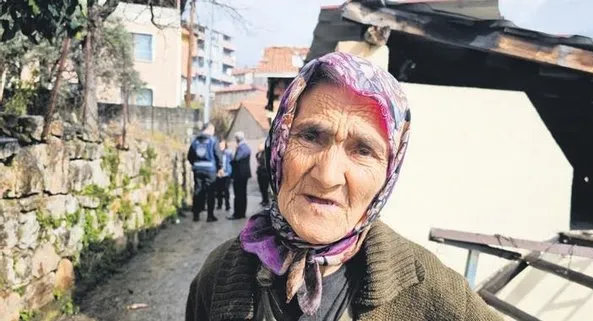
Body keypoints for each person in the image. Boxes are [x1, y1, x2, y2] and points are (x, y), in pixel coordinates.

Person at [185, 53, 502, 320]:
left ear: (388, 174)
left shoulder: (438, 296)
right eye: (310, 137)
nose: (327, 176)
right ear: (279, 146)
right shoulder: (218, 275)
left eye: (363, 150)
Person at [186, 123, 224, 222]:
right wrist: (220, 167)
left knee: (198, 190)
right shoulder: (213, 140)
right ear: (209, 129)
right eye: (213, 130)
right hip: (210, 170)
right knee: (210, 192)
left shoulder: (195, 140)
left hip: (198, 169)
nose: (213, 132)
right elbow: (218, 154)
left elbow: (190, 156)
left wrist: (195, 163)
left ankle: (196, 215)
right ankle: (210, 216)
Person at [228, 131, 251, 220]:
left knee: (238, 195)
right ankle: (241, 213)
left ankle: (237, 214)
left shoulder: (242, 147)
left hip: (239, 175)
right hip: (243, 175)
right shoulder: (245, 147)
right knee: (242, 194)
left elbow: (236, 159)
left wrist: (231, 159)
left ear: (237, 138)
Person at [215, 140, 233, 211]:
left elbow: (232, 162)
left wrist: (229, 172)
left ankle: (227, 205)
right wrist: (218, 171)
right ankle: (219, 205)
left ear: (225, 145)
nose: (221, 146)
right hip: (218, 174)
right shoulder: (216, 153)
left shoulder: (228, 153)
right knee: (219, 190)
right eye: (220, 145)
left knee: (226, 190)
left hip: (226, 174)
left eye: (222, 145)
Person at [255, 142, 270, 207]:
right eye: (258, 146)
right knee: (261, 188)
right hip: (259, 173)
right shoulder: (258, 154)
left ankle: (266, 201)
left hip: (264, 174)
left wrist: (260, 166)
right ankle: (263, 200)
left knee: (264, 188)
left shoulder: (265, 154)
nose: (259, 148)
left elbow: (266, 164)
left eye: (260, 146)